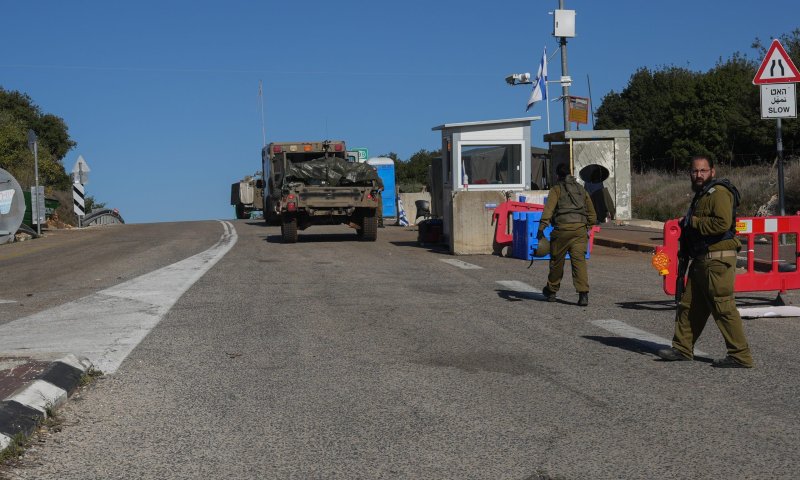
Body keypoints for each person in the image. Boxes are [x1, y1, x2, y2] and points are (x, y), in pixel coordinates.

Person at [658, 155, 754, 368]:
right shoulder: (702, 195)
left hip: (717, 260)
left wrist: (692, 221)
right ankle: (682, 348)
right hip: (702, 259)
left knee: (723, 306)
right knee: (689, 305)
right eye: (695, 171)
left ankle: (740, 355)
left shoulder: (719, 192)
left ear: (713, 171)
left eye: (703, 171)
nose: (698, 175)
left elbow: (721, 223)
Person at [539, 163, 597, 306]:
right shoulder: (581, 190)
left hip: (562, 231)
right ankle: (583, 294)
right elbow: (592, 214)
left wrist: (541, 228)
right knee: (579, 263)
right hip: (580, 232)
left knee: (556, 261)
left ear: (558, 176)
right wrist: (587, 227)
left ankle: (552, 291)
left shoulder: (556, 190)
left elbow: (548, 210)